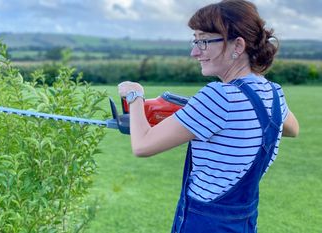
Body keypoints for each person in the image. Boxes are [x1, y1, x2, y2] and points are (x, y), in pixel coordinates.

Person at [117, 0, 300, 232]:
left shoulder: (219, 96)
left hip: (204, 222)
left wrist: (135, 95)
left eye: (203, 41)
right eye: (195, 41)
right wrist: (197, 120)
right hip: (242, 220)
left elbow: (142, 145)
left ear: (237, 45)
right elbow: (292, 128)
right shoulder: (273, 93)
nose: (195, 52)